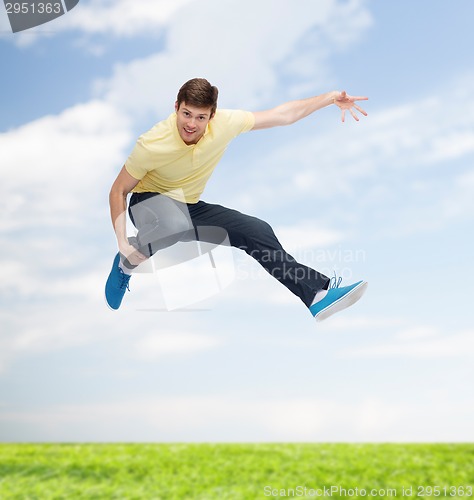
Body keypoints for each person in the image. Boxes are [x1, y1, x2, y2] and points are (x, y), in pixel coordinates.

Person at [105, 78, 368, 320]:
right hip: (147, 203)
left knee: (257, 230)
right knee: (173, 223)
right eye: (186, 114)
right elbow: (118, 191)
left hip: (189, 206)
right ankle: (125, 263)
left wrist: (330, 97)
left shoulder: (226, 123)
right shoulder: (152, 143)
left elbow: (282, 115)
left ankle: (315, 295)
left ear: (212, 116)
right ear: (176, 107)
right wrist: (122, 242)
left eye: (200, 117)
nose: (191, 124)